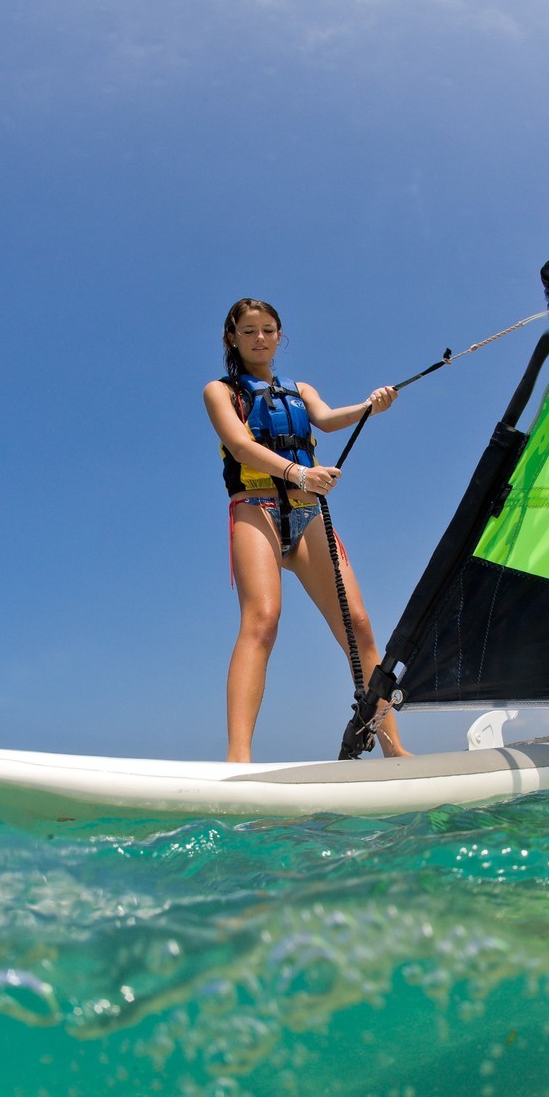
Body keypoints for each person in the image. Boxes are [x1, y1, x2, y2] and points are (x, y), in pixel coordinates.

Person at [203, 297, 411, 764]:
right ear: (232, 338)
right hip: (256, 508)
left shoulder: (300, 388)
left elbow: (330, 418)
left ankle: (395, 751)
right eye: (250, 330)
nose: (261, 338)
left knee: (358, 626)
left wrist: (370, 407)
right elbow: (239, 445)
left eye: (269, 330)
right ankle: (238, 760)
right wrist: (298, 475)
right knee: (262, 622)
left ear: (280, 336)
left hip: (308, 513)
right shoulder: (219, 391)